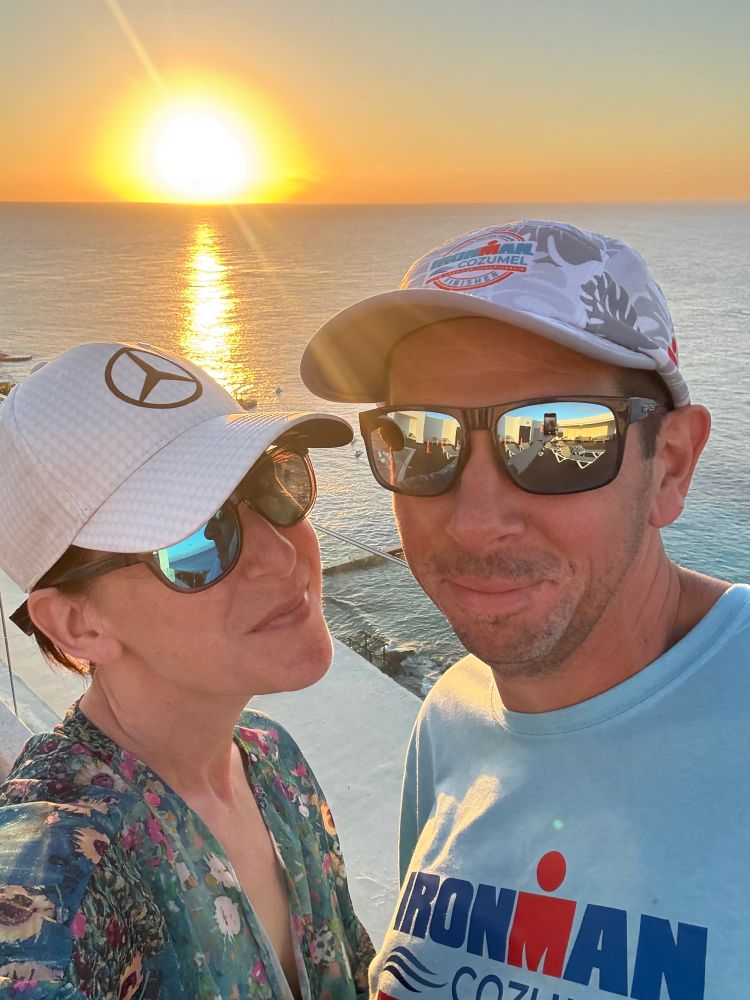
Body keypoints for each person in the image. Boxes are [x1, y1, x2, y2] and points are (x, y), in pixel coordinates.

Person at [300, 221, 750, 998]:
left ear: (671, 464)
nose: (474, 521)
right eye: (421, 440)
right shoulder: (449, 721)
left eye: (556, 440)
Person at [0, 342, 374, 998]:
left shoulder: (275, 763)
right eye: (196, 539)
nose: (283, 554)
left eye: (276, 484)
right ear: (78, 626)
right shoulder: (56, 875)